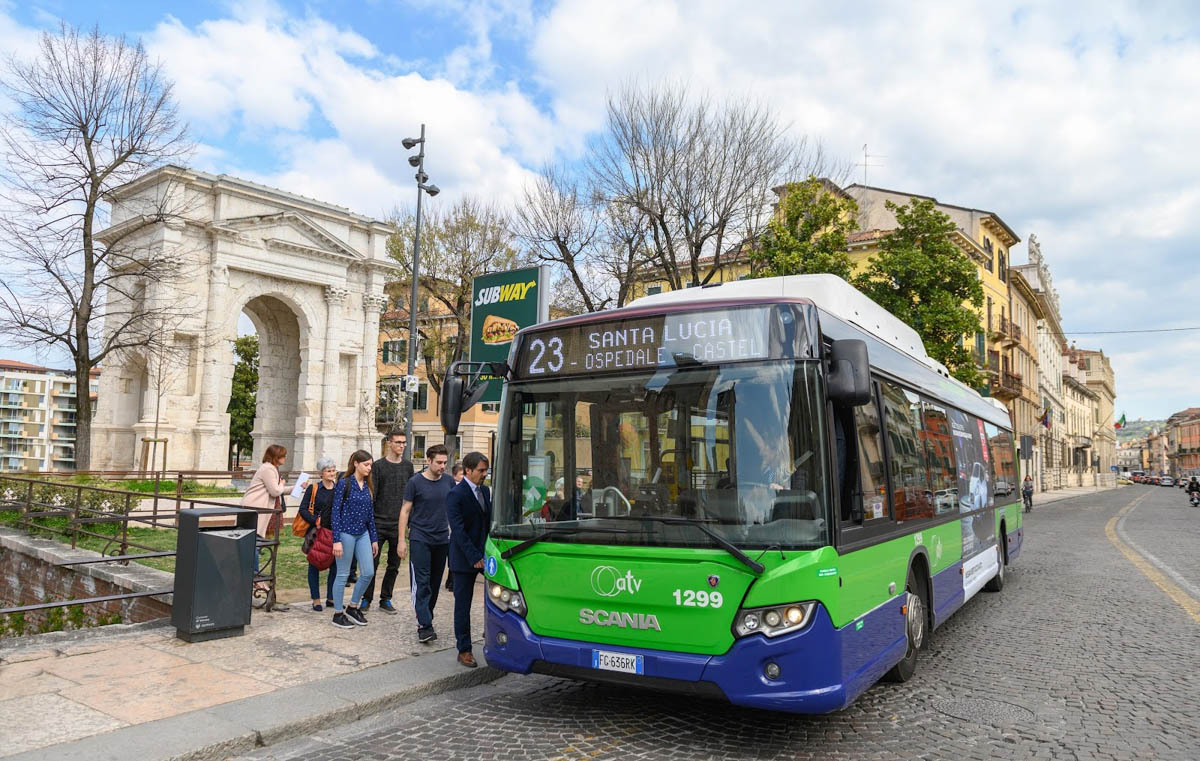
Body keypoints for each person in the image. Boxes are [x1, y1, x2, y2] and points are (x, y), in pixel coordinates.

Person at [399, 444, 454, 643]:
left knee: (434, 584)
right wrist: (401, 541)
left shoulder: (449, 481)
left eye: (445, 463)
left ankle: (425, 616)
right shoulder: (415, 483)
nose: (442, 466)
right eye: (439, 462)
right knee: (421, 583)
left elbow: (454, 508)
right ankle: (425, 625)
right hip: (420, 538)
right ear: (428, 461)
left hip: (442, 540)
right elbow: (405, 511)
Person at [446, 452, 491, 668]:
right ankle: (464, 649)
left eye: (486, 470)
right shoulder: (456, 494)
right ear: (468, 471)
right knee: (463, 606)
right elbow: (458, 530)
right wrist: (474, 557)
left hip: (486, 556)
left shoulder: (485, 491)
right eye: (481, 471)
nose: (484, 474)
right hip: (464, 559)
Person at [361, 430, 414, 614]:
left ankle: (386, 598)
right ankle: (366, 598)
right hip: (378, 522)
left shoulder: (408, 467)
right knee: (372, 564)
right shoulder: (378, 466)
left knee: (394, 565)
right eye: (398, 442)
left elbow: (410, 497)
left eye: (404, 442)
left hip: (398, 523)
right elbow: (372, 495)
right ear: (389, 443)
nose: (402, 446)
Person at [330, 450, 379, 629]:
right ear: (356, 464)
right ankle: (337, 613)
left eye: (370, 465)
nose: (369, 468)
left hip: (363, 533)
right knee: (343, 574)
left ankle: (352, 606)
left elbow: (370, 515)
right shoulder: (344, 483)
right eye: (366, 464)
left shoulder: (368, 485)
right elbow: (335, 512)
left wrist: (374, 538)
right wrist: (336, 540)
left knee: (368, 572)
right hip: (346, 533)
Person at [241, 444, 289, 598]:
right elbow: (275, 490)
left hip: (258, 509)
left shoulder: (271, 468)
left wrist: (297, 487)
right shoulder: (268, 468)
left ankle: (255, 577)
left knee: (255, 543)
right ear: (275, 456)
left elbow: (276, 488)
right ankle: (256, 578)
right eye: (282, 455)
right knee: (254, 543)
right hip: (255, 508)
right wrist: (282, 485)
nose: (285, 458)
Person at [298, 457, 339, 611]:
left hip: (334, 532)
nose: (332, 473)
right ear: (321, 473)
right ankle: (316, 599)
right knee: (314, 564)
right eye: (328, 471)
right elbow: (302, 509)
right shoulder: (313, 488)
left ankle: (331, 597)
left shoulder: (338, 489)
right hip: (317, 532)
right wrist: (315, 520)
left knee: (335, 565)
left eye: (333, 470)